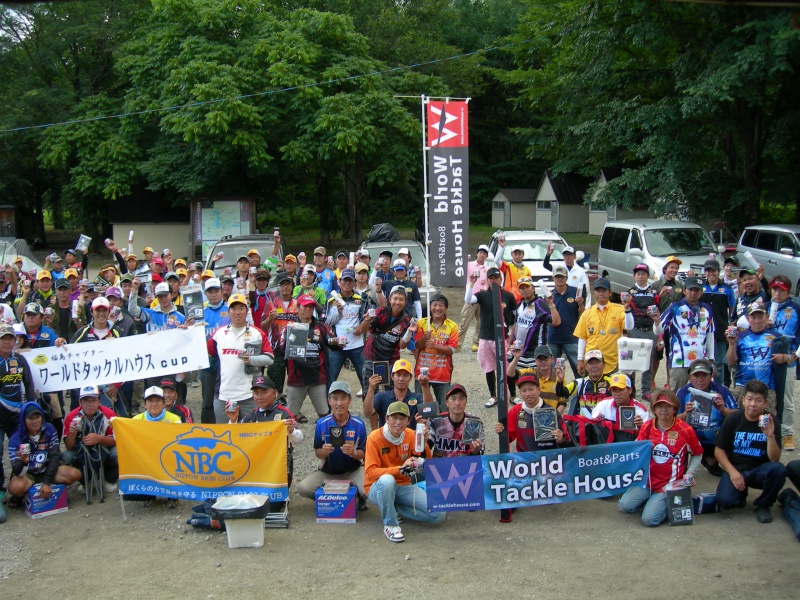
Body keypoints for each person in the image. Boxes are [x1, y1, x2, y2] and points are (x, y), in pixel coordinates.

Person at [617, 390, 703, 527]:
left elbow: (698, 453)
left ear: (674, 409)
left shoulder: (685, 430)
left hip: (669, 485)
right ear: (654, 409)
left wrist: (689, 473)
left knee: (649, 520)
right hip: (647, 481)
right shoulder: (647, 426)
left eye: (668, 406)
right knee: (624, 506)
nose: (664, 410)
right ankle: (653, 502)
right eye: (659, 406)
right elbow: (637, 452)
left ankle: (665, 503)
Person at [364, 401, 444, 543]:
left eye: (402, 418)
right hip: (377, 487)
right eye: (394, 418)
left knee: (438, 514)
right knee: (387, 480)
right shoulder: (374, 437)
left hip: (403, 485)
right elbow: (370, 472)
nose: (398, 422)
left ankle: (393, 507)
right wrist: (400, 469)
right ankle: (390, 524)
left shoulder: (411, 435)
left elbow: (423, 464)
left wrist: (425, 444)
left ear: (408, 421)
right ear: (387, 419)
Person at [714, 379, 787, 523]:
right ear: (743, 400)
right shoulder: (733, 419)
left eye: (758, 400)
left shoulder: (772, 422)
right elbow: (719, 450)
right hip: (737, 468)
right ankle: (741, 494)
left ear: (765, 403)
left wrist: (770, 436)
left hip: (759, 470)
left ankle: (764, 504)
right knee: (725, 502)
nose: (753, 404)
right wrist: (732, 472)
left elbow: (774, 459)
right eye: (749, 399)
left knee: (779, 470)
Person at [297, 381, 368, 508]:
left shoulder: (359, 424)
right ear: (329, 401)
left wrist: (353, 452)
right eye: (335, 399)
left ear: (350, 400)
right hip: (328, 472)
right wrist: (323, 452)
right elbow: (317, 452)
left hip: (353, 470)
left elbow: (364, 452)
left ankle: (356, 495)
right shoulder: (321, 423)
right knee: (303, 488)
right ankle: (333, 498)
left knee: (369, 490)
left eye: (343, 398)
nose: (339, 403)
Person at [4, 402, 81, 518]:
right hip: (27, 475)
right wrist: (24, 462)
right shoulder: (15, 439)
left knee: (75, 474)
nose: (35, 421)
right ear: (23, 420)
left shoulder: (49, 429)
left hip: (47, 469)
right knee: (15, 487)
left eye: (38, 417)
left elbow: (55, 456)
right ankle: (22, 496)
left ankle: (57, 492)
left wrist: (47, 482)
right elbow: (17, 470)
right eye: (31, 418)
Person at [207, 294, 274, 423]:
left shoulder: (257, 333)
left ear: (247, 310)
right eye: (233, 309)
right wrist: (188, 332)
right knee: (224, 437)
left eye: (241, 308)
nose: (237, 312)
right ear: (228, 312)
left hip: (249, 396)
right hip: (224, 396)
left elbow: (270, 358)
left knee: (249, 436)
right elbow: (204, 353)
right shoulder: (219, 334)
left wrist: (251, 360)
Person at [464, 267, 517, 408]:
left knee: (507, 367)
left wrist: (512, 335)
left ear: (500, 279)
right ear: (487, 280)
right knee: (488, 368)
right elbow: (468, 300)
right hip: (486, 338)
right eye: (490, 278)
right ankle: (493, 395)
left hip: (503, 338)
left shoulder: (508, 296)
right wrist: (471, 283)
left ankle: (512, 395)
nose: (493, 280)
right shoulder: (482, 295)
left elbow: (516, 317)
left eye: (496, 277)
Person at [237, 375, 302, 487]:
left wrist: (291, 431)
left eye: (264, 392)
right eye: (256, 393)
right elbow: (235, 436)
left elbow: (299, 439)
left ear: (274, 393)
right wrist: (233, 420)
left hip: (278, 466)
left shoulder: (284, 413)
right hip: (256, 465)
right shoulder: (251, 415)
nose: (260, 397)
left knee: (274, 503)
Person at [677, 358, 738, 476]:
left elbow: (739, 416)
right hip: (691, 435)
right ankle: (681, 464)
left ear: (711, 376)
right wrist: (685, 414)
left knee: (715, 466)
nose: (700, 380)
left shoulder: (722, 391)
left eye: (704, 375)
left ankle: (711, 459)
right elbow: (670, 420)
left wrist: (723, 409)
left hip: (715, 435)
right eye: (696, 375)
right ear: (690, 377)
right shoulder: (683, 392)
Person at [281, 293, 335, 423]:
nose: (308, 310)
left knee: (325, 415)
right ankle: (287, 442)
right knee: (289, 417)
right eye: (305, 307)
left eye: (311, 307)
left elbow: (332, 342)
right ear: (298, 307)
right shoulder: (290, 327)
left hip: (318, 378)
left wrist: (339, 342)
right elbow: (281, 350)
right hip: (296, 378)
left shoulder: (321, 327)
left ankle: (326, 441)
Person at [655, 277, 715, 391]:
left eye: (696, 290)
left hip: (701, 361)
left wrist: (711, 359)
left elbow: (710, 334)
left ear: (701, 292)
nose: (693, 293)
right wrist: (656, 321)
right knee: (677, 395)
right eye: (690, 290)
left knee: (701, 394)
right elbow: (658, 331)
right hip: (679, 361)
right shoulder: (674, 307)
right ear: (684, 290)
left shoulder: (707, 309)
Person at [0, 323, 36, 510]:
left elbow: (29, 385)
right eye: (3, 339)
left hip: (17, 419)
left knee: (22, 452)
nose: (6, 342)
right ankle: (0, 490)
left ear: (15, 341)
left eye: (10, 339)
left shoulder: (20, 360)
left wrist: (31, 410)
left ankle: (19, 490)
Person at [62, 385, 119, 493]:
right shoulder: (71, 416)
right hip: (81, 451)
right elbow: (69, 446)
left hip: (104, 449)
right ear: (80, 402)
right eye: (86, 401)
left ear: (99, 401)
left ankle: (109, 479)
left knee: (118, 453)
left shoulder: (109, 414)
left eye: (94, 400)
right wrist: (73, 434)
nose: (90, 404)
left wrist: (99, 438)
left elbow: (118, 440)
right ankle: (86, 481)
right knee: (67, 456)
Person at [355, 285, 413, 392]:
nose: (397, 302)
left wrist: (409, 331)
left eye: (401, 299)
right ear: (390, 299)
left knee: (392, 392)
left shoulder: (407, 320)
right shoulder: (380, 312)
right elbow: (363, 330)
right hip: (371, 356)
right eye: (395, 298)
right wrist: (367, 320)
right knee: (369, 391)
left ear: (405, 302)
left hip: (391, 360)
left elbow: (402, 345)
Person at [493, 372, 571, 451]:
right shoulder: (515, 411)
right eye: (524, 391)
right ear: (520, 393)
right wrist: (501, 431)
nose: (528, 394)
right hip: (525, 459)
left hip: (549, 458)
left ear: (538, 390)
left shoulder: (551, 411)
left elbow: (568, 441)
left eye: (531, 389)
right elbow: (508, 438)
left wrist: (561, 440)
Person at [726, 302, 781, 413]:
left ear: (767, 317)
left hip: (767, 388)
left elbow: (788, 360)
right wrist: (732, 344)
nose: (757, 321)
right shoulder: (740, 336)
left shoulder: (776, 337)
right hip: (743, 387)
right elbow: (731, 362)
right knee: (741, 420)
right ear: (747, 318)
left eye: (760, 317)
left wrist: (785, 357)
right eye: (753, 317)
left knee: (765, 421)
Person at [574, 278, 633, 377]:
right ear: (594, 294)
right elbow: (582, 337)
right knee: (593, 391)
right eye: (598, 291)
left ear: (610, 293)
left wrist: (627, 309)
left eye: (604, 291)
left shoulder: (619, 310)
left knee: (613, 390)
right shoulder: (587, 313)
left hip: (612, 361)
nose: (601, 293)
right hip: (591, 362)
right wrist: (580, 359)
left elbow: (629, 326)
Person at [766, 275, 799, 451]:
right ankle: (766, 431)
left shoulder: (796, 309)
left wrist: (793, 356)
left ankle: (787, 434)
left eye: (782, 290)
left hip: (788, 361)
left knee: (787, 400)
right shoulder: (763, 307)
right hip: (765, 361)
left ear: (789, 292)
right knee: (767, 397)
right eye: (774, 289)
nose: (777, 293)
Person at [325, 268, 367, 394]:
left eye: (350, 281)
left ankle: (370, 410)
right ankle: (328, 411)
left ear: (355, 282)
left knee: (365, 379)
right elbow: (326, 323)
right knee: (330, 380)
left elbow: (369, 319)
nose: (347, 283)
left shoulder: (361, 298)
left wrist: (362, 327)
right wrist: (338, 313)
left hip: (358, 346)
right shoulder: (331, 299)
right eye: (344, 280)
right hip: (337, 346)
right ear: (339, 282)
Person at [413, 294, 458, 409]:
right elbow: (417, 346)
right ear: (430, 307)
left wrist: (434, 345)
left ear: (446, 308)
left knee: (444, 406)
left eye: (441, 305)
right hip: (422, 371)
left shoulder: (452, 326)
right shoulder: (422, 323)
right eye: (434, 305)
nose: (437, 308)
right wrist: (424, 338)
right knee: (421, 406)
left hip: (442, 372)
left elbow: (451, 350)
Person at [261, 273, 299, 396]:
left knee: (295, 381)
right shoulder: (271, 304)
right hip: (276, 348)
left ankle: (293, 407)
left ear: (292, 286)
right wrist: (269, 319)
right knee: (274, 380)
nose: (285, 287)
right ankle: (276, 402)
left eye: (288, 284)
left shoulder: (298, 304)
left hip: (294, 347)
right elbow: (262, 326)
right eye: (282, 285)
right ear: (278, 287)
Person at [625, 263, 660, 399]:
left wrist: (659, 333)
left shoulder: (654, 293)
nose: (641, 277)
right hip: (635, 329)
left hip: (649, 329)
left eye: (643, 274)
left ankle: (646, 390)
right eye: (638, 274)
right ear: (634, 276)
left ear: (648, 276)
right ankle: (631, 390)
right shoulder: (629, 293)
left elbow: (658, 310)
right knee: (632, 362)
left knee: (648, 361)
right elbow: (626, 312)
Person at [651, 256, 685, 388]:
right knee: (656, 354)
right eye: (671, 267)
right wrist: (659, 296)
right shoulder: (656, 285)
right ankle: (652, 381)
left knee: (671, 354)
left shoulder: (680, 286)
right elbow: (650, 304)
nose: (674, 270)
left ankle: (669, 381)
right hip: (659, 325)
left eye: (676, 268)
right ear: (665, 269)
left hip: (675, 326)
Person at [701, 259, 736, 386]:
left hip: (720, 330)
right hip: (702, 330)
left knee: (719, 363)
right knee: (701, 361)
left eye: (713, 271)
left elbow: (732, 308)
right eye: (708, 271)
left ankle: (718, 388)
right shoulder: (700, 287)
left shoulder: (726, 289)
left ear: (718, 271)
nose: (710, 273)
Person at [427, 383, 484, 457]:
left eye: (461, 399)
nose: (457, 403)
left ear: (466, 401)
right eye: (453, 399)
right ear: (447, 402)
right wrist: (422, 439)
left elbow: (481, 453)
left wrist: (475, 451)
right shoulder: (436, 421)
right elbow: (425, 449)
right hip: (439, 466)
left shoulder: (474, 422)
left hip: (466, 465)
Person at [364, 359, 423, 430]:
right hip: (386, 439)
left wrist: (425, 386)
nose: (401, 379)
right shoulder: (382, 396)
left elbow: (429, 410)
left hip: (409, 439)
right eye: (398, 375)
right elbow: (367, 412)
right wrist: (371, 389)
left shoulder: (417, 397)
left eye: (405, 375)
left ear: (410, 378)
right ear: (392, 376)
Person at [548, 265, 584, 378]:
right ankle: (556, 392)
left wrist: (580, 304)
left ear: (567, 277)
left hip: (571, 336)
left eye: (562, 277)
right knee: (553, 369)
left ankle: (582, 392)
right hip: (553, 337)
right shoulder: (549, 295)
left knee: (578, 368)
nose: (559, 279)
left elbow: (583, 314)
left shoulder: (575, 292)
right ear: (553, 278)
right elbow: (546, 317)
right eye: (557, 277)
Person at [591, 374, 649, 441]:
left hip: (630, 448)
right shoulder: (603, 405)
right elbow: (593, 430)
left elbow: (646, 439)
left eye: (621, 389)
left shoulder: (641, 410)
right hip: (606, 447)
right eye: (614, 390)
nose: (618, 394)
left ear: (630, 390)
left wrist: (642, 427)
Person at [557, 349, 612, 419]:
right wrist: (560, 381)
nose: (594, 366)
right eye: (591, 363)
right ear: (586, 366)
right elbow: (561, 393)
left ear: (604, 365)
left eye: (597, 362)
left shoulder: (611, 382)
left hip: (605, 426)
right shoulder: (579, 383)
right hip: (584, 427)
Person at [459, 245, 490, 351]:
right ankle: (458, 344)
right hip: (471, 297)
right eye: (480, 252)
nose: (482, 255)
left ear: (486, 256)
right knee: (465, 321)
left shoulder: (487, 269)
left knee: (481, 322)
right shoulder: (469, 265)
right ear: (477, 253)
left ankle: (476, 343)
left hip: (483, 298)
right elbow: (459, 268)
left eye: (484, 253)